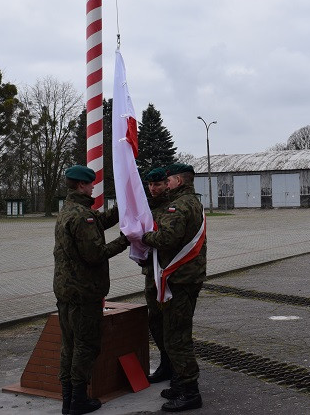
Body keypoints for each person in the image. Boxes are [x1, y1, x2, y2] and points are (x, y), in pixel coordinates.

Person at [54, 165, 128, 415]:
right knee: (85, 346)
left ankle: (68, 400)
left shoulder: (69, 211)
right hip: (83, 293)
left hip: (66, 292)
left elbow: (100, 221)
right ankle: (78, 400)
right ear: (80, 185)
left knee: (69, 345)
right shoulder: (81, 216)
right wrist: (125, 240)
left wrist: (124, 207)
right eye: (91, 183)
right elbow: (95, 254)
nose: (94, 186)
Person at [142, 163, 207, 412]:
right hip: (184, 277)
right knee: (173, 332)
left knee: (177, 337)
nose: (165, 184)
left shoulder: (178, 205)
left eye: (167, 180)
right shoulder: (192, 201)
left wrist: (142, 237)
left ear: (178, 181)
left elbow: (167, 239)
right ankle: (180, 383)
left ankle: (190, 392)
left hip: (180, 279)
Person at [141, 167, 172, 383]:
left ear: (166, 184)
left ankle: (175, 365)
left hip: (169, 272)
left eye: (157, 184)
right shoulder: (145, 207)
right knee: (154, 319)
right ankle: (165, 362)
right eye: (150, 185)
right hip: (151, 271)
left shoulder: (172, 207)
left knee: (171, 321)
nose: (153, 188)